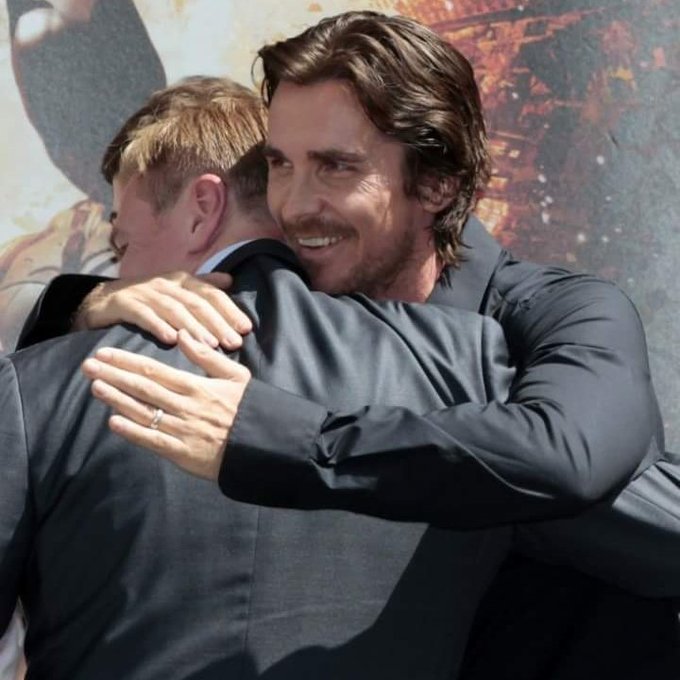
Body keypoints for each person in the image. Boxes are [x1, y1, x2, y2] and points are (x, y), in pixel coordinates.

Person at [30, 12, 677, 678]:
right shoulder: (277, 319)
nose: (294, 205)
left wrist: (276, 438)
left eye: (335, 168)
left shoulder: (555, 317)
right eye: (281, 166)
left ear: (437, 182)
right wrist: (84, 305)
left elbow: (568, 456)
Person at [2, 74, 540, 679]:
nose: (120, 277)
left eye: (122, 245)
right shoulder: (468, 362)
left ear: (203, 209)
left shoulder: (41, 387)